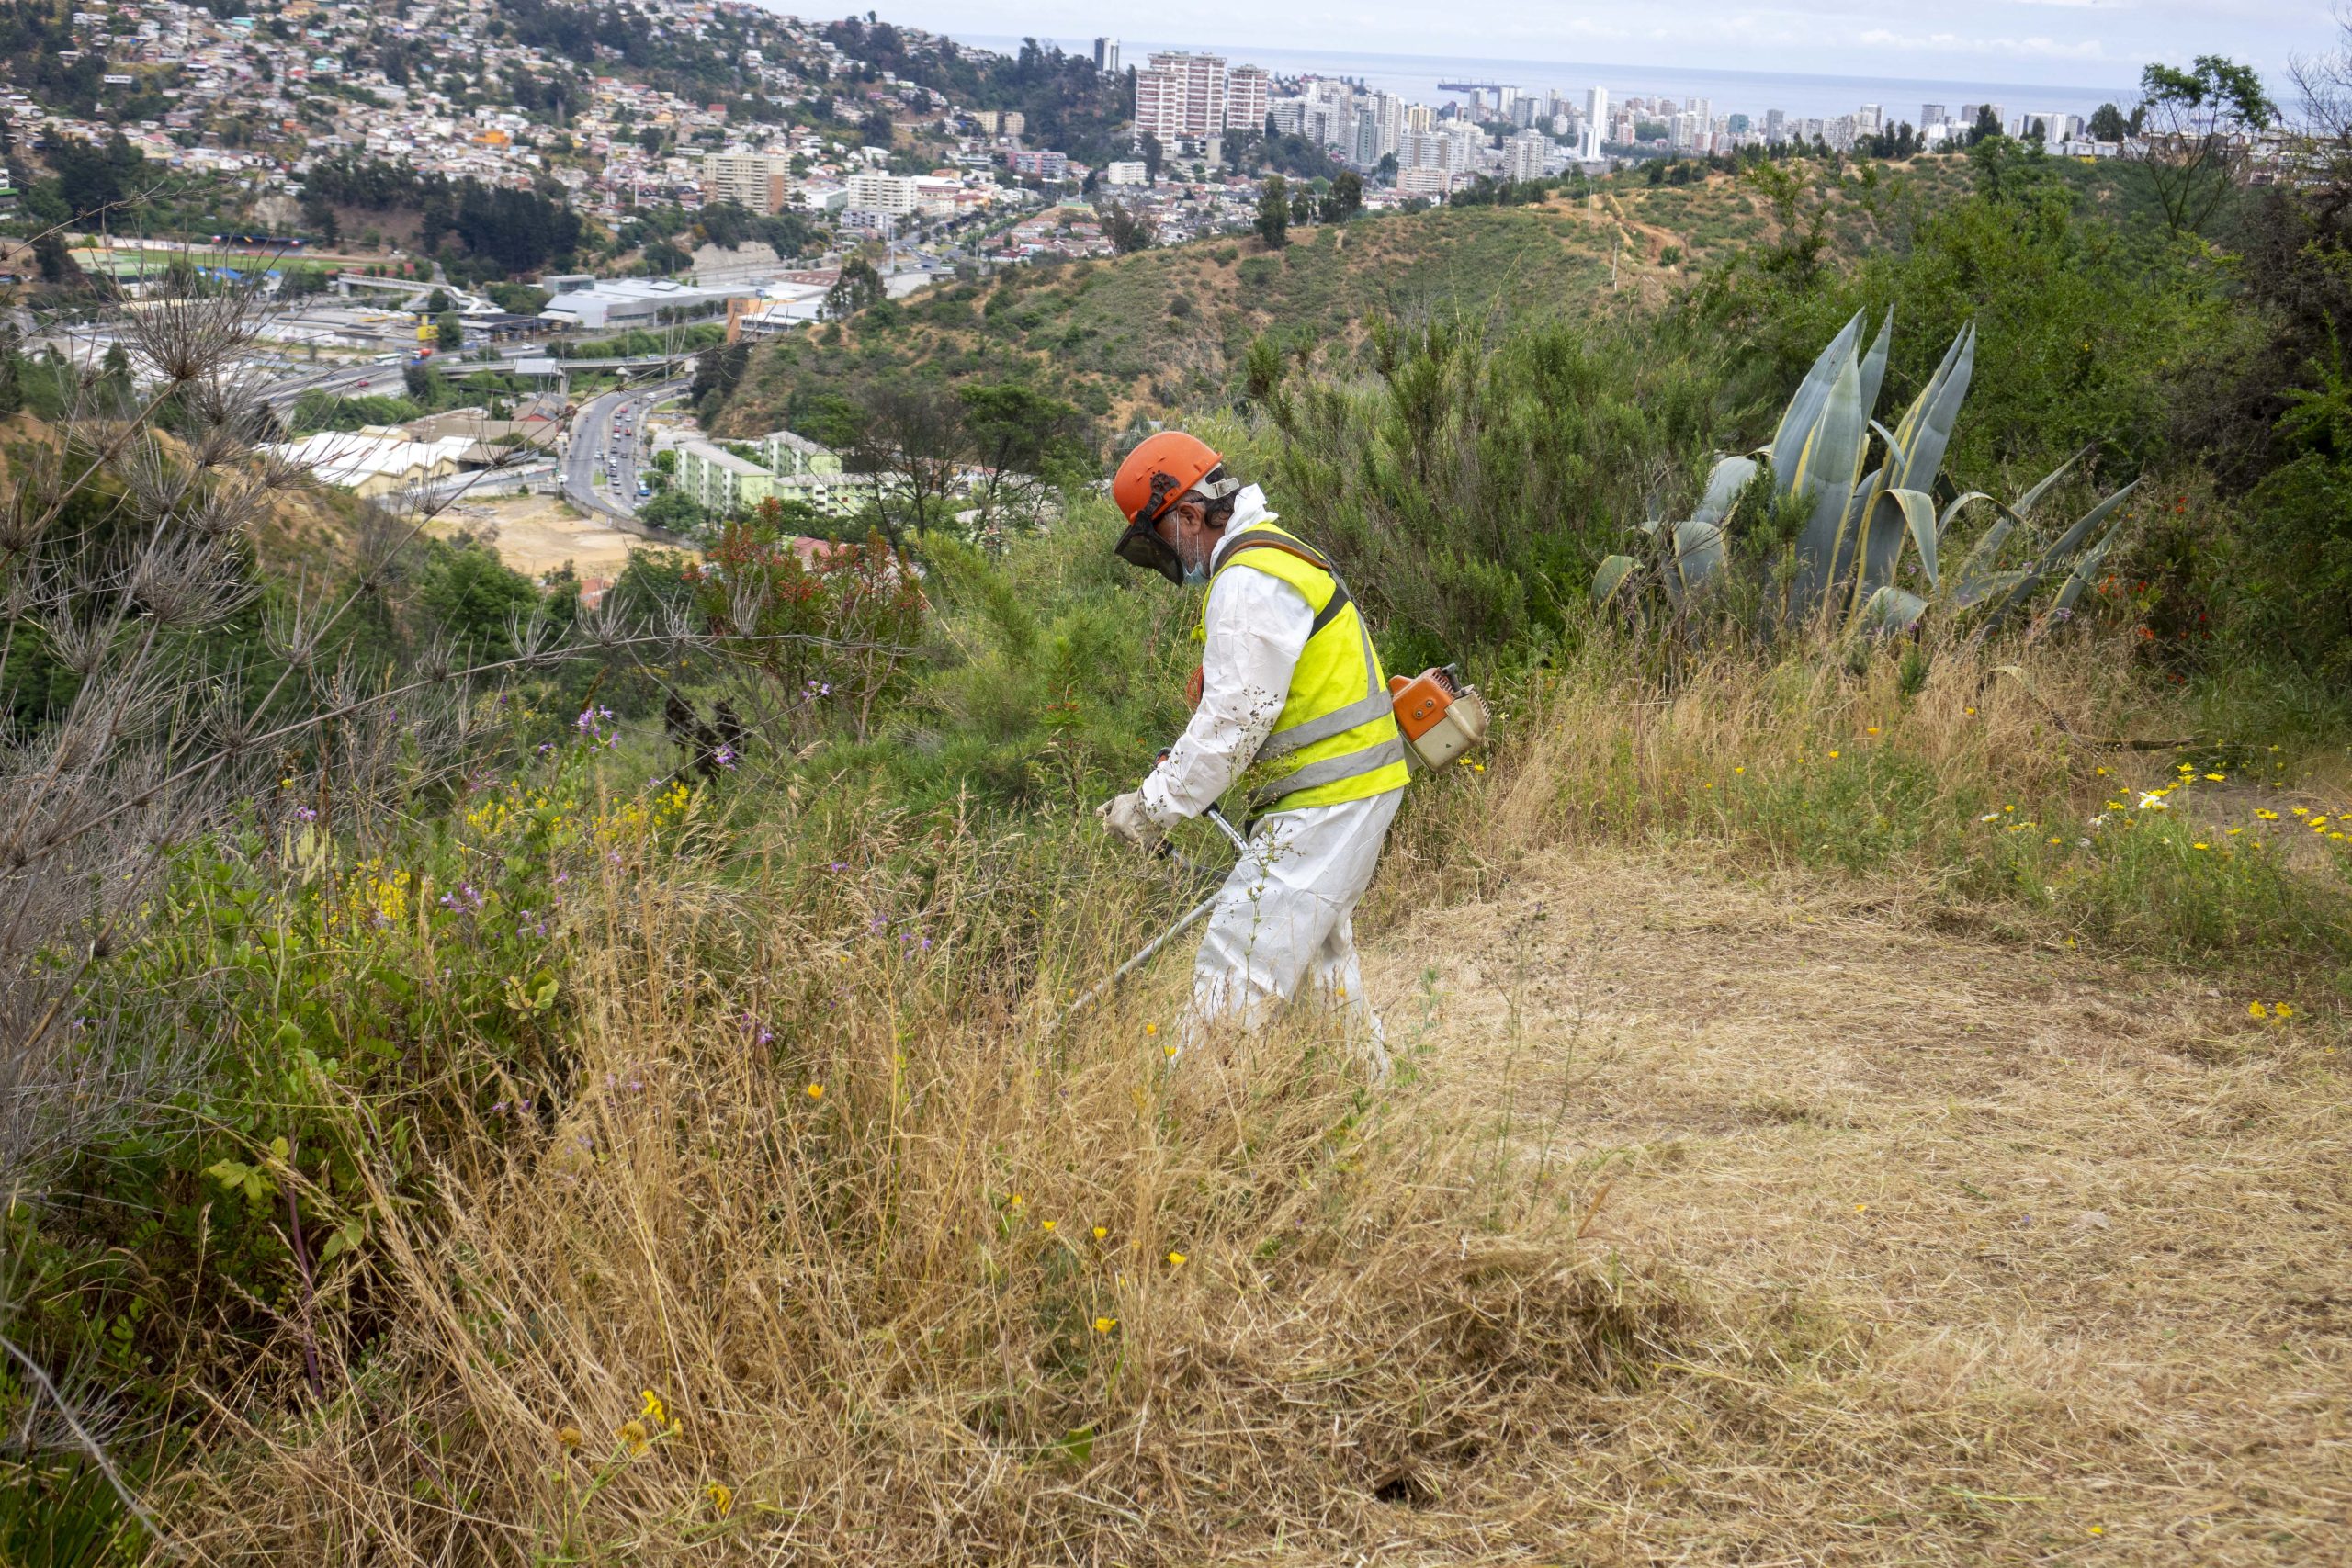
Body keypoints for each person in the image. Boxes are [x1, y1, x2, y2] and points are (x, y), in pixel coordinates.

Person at [1097, 431, 1408, 1068]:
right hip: (1347, 787)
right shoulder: (1276, 556)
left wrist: (1150, 807)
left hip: (1331, 797)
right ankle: (1368, 1101)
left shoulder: (1248, 579)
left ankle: (1181, 1126)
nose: (1168, 562)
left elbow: (1234, 723)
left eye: (1162, 543)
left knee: (1237, 960)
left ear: (1187, 513)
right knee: (1321, 962)